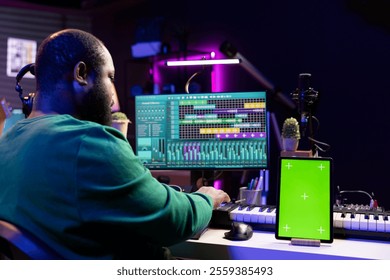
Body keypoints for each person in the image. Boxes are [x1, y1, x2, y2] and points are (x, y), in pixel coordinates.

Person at [0, 29, 230, 259]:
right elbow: (175, 221)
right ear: (81, 73)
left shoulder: (9, 139)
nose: (112, 97)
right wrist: (206, 198)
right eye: (109, 78)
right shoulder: (89, 140)